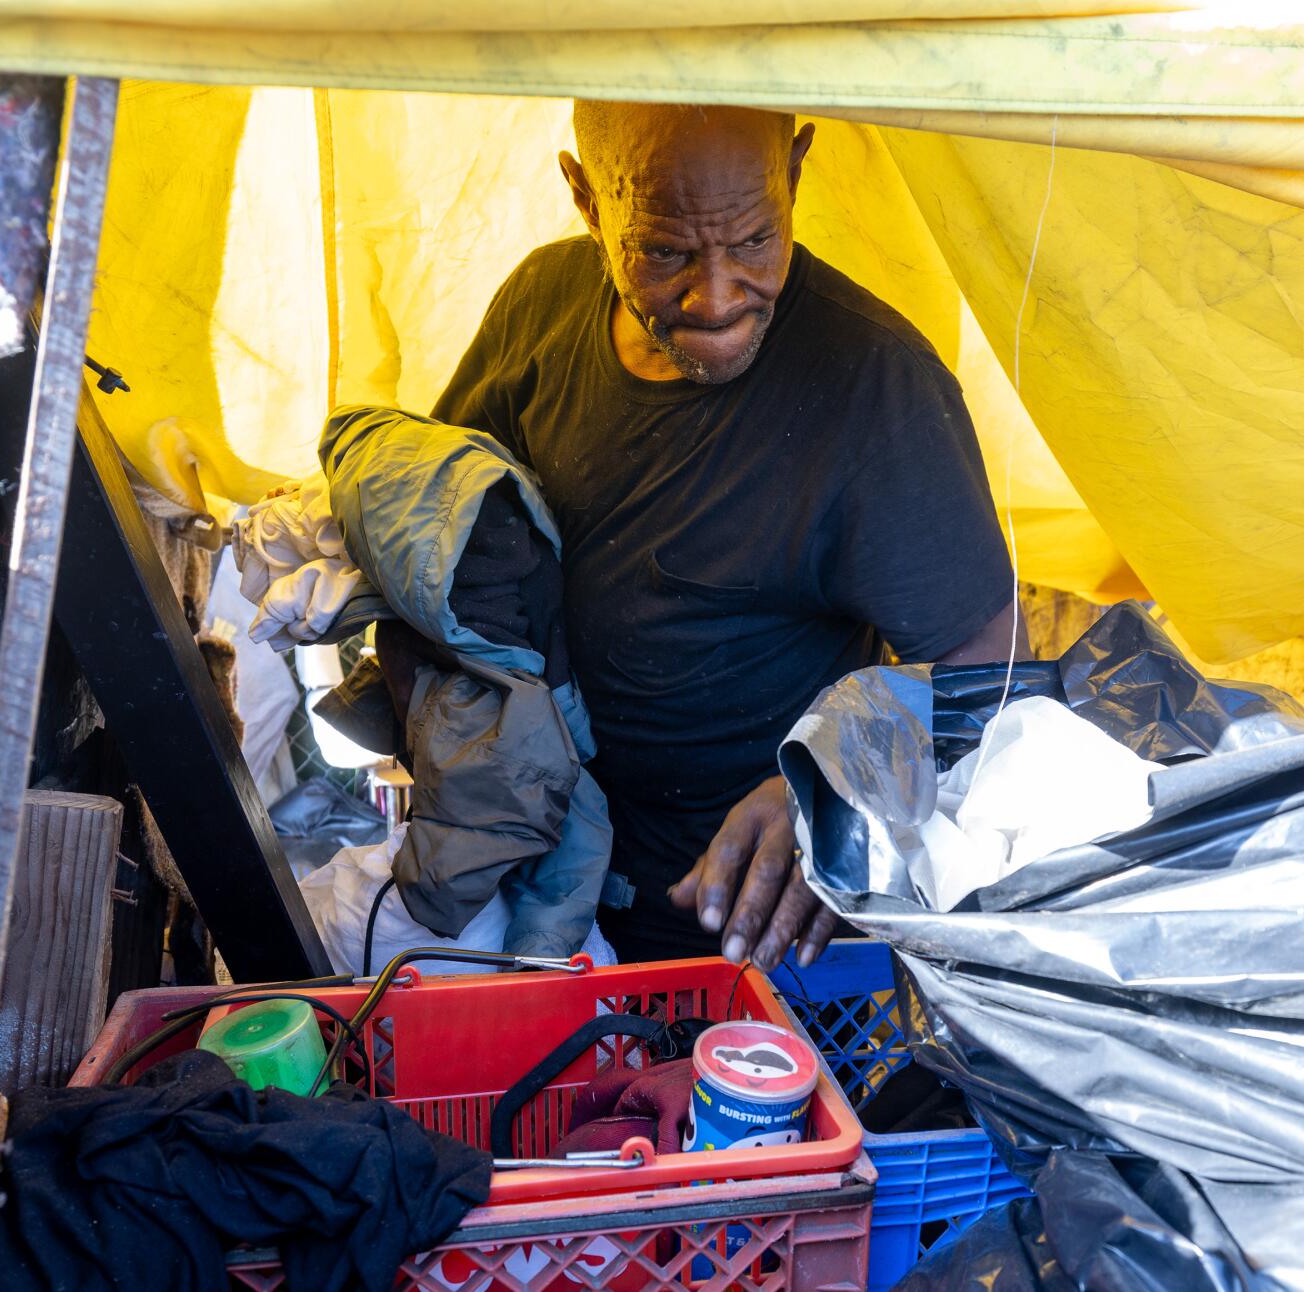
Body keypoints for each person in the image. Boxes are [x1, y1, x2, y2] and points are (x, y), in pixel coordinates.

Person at [428, 101, 1029, 969]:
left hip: (741, 933)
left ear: (793, 172)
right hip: (540, 885)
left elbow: (996, 674)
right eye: (664, 251)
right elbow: (444, 520)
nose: (715, 297)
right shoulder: (541, 305)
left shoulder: (874, 387)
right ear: (586, 198)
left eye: (754, 241)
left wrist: (829, 784)